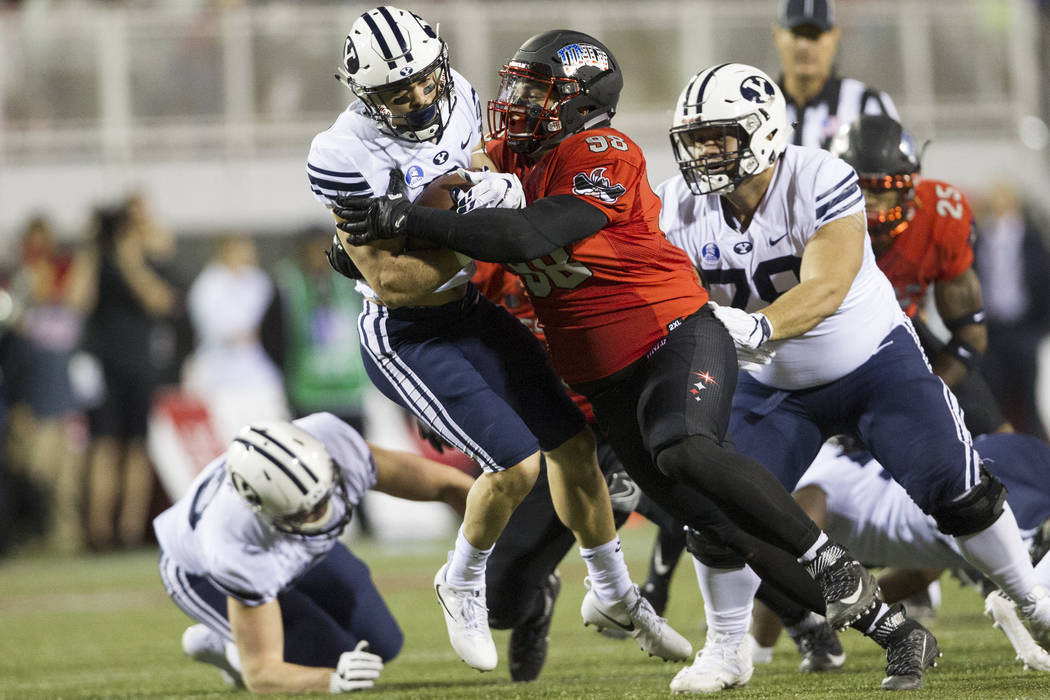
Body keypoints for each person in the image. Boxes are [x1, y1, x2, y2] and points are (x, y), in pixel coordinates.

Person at [335, 30, 913, 693]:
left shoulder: (603, 150)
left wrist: (405, 220)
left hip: (669, 339)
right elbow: (438, 226)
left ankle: (817, 582)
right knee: (706, 524)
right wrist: (367, 245)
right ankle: (888, 627)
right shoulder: (500, 158)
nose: (514, 101)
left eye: (534, 90)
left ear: (579, 102)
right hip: (593, 383)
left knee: (687, 456)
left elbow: (524, 233)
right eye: (515, 85)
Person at [308, 7, 690, 675]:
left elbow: (491, 178)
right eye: (400, 93)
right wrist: (478, 226)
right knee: (516, 466)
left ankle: (614, 590)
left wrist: (456, 218)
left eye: (426, 80)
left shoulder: (455, 91)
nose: (422, 97)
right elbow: (395, 280)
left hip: (470, 305)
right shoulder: (341, 153)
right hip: (405, 331)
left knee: (574, 445)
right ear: (365, 95)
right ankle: (459, 580)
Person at [656, 61, 1050, 691]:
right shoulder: (678, 204)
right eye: (695, 137)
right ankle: (727, 648)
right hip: (773, 385)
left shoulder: (820, 175)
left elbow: (829, 285)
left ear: (759, 133)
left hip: (870, 363)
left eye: (717, 136)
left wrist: (754, 330)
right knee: (715, 508)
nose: (702, 151)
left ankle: (1032, 601)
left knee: (960, 491)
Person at [153, 412, 475, 694]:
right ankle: (226, 645)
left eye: (324, 497)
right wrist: (330, 681)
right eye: (306, 512)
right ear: (263, 509)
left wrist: (492, 554)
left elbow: (452, 487)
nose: (323, 513)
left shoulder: (331, 440)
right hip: (200, 572)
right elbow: (262, 673)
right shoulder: (231, 545)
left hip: (293, 546)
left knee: (383, 644)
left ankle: (238, 638)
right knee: (334, 657)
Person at [749, 432, 1050, 673]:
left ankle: (1022, 593)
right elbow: (921, 572)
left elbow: (785, 540)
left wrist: (787, 628)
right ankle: (1025, 591)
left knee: (767, 544)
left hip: (973, 481)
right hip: (979, 472)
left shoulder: (814, 473)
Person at [827, 114, 1010, 436]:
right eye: (856, 189)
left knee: (996, 432)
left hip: (901, 330)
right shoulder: (804, 219)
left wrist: (920, 393)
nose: (867, 205)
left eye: (880, 190)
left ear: (909, 190)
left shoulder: (940, 218)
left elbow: (970, 334)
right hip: (823, 337)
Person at [80, 202, 177, 550]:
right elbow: (78, 301)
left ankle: (131, 529)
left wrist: (130, 260)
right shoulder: (97, 259)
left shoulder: (146, 258)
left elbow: (160, 301)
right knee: (104, 444)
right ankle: (99, 531)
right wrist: (93, 251)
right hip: (104, 363)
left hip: (139, 362)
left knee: (137, 445)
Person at [184, 233, 289, 444]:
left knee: (270, 430)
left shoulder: (258, 281)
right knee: (229, 435)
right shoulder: (209, 285)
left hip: (258, 370)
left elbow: (270, 323)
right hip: (221, 373)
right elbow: (219, 329)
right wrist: (246, 332)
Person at [974, 184, 1050, 440]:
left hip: (1024, 330)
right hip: (991, 332)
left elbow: (1042, 281)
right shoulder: (980, 239)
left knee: (1028, 400)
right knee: (991, 400)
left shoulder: (1032, 240)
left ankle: (1036, 460)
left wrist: (1039, 328)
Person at [773, 0, 898, 149]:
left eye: (814, 35)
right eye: (797, 34)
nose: (804, 45)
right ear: (777, 35)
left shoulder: (868, 105)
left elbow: (894, 170)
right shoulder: (756, 107)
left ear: (834, 35)